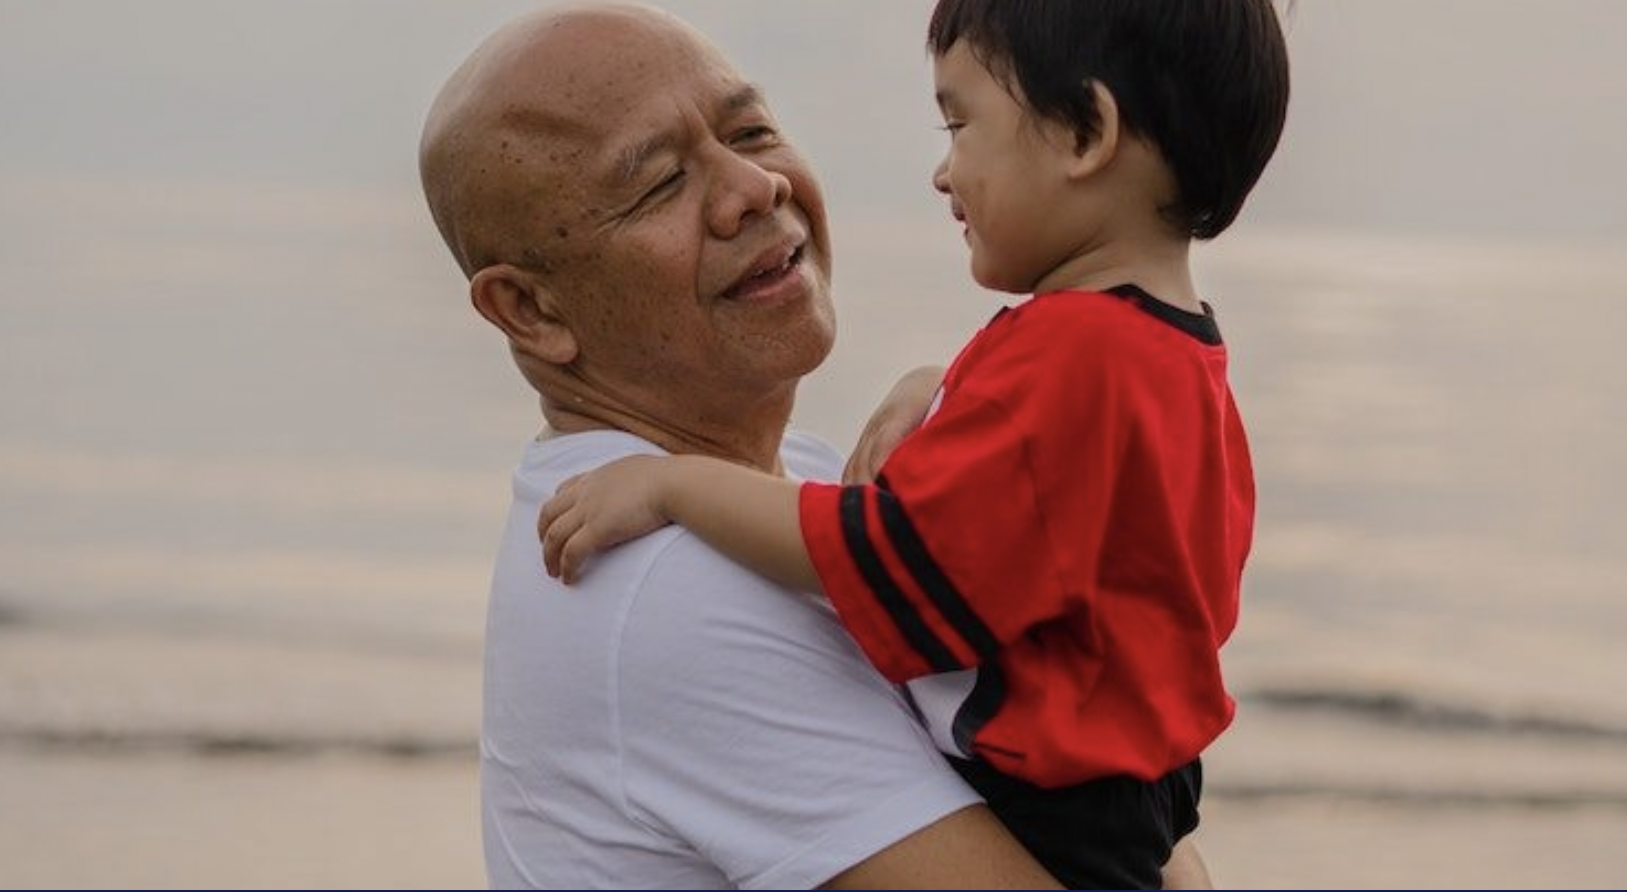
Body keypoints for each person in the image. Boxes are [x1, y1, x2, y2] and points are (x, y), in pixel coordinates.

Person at [538, 0, 1290, 888]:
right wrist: (934, 385)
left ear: (1087, 132)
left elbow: (886, 555)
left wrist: (674, 489)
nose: (943, 172)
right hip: (1130, 799)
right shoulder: (1175, 350)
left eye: (961, 124)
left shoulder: (1071, 353)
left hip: (1046, 808)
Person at [417, 3, 1090, 889]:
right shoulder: (666, 584)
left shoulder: (777, 485)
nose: (752, 187)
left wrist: (951, 390)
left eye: (752, 130)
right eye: (660, 183)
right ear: (533, 312)